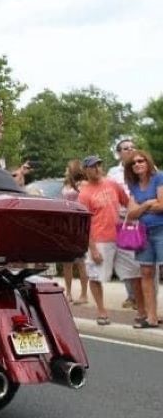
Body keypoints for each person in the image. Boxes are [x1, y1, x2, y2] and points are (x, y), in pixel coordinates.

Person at [77, 155, 143, 326]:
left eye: (99, 165)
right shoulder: (84, 194)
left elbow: (127, 202)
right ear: (86, 170)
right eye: (93, 166)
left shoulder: (112, 184)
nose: (97, 169)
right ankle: (101, 310)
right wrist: (93, 248)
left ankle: (141, 311)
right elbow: (85, 224)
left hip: (120, 235)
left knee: (134, 272)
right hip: (99, 239)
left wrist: (132, 219)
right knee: (96, 276)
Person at [123, 150, 163, 328]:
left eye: (141, 161)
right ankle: (151, 317)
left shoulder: (159, 178)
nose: (137, 164)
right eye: (134, 162)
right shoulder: (134, 186)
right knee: (146, 273)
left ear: (148, 162)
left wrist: (140, 206)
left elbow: (162, 206)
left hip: (161, 230)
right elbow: (131, 213)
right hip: (142, 233)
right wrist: (147, 204)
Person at [107, 138, 139, 310]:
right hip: (123, 220)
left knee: (145, 260)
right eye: (126, 148)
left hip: (142, 217)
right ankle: (132, 296)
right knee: (126, 259)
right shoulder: (113, 173)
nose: (130, 150)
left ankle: (144, 298)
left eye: (133, 147)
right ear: (119, 153)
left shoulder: (143, 166)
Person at [60, 159, 88, 304]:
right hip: (67, 223)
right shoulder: (65, 184)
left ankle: (84, 293)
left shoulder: (82, 184)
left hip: (79, 222)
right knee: (67, 261)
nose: (65, 169)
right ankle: (68, 292)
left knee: (80, 261)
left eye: (67, 167)